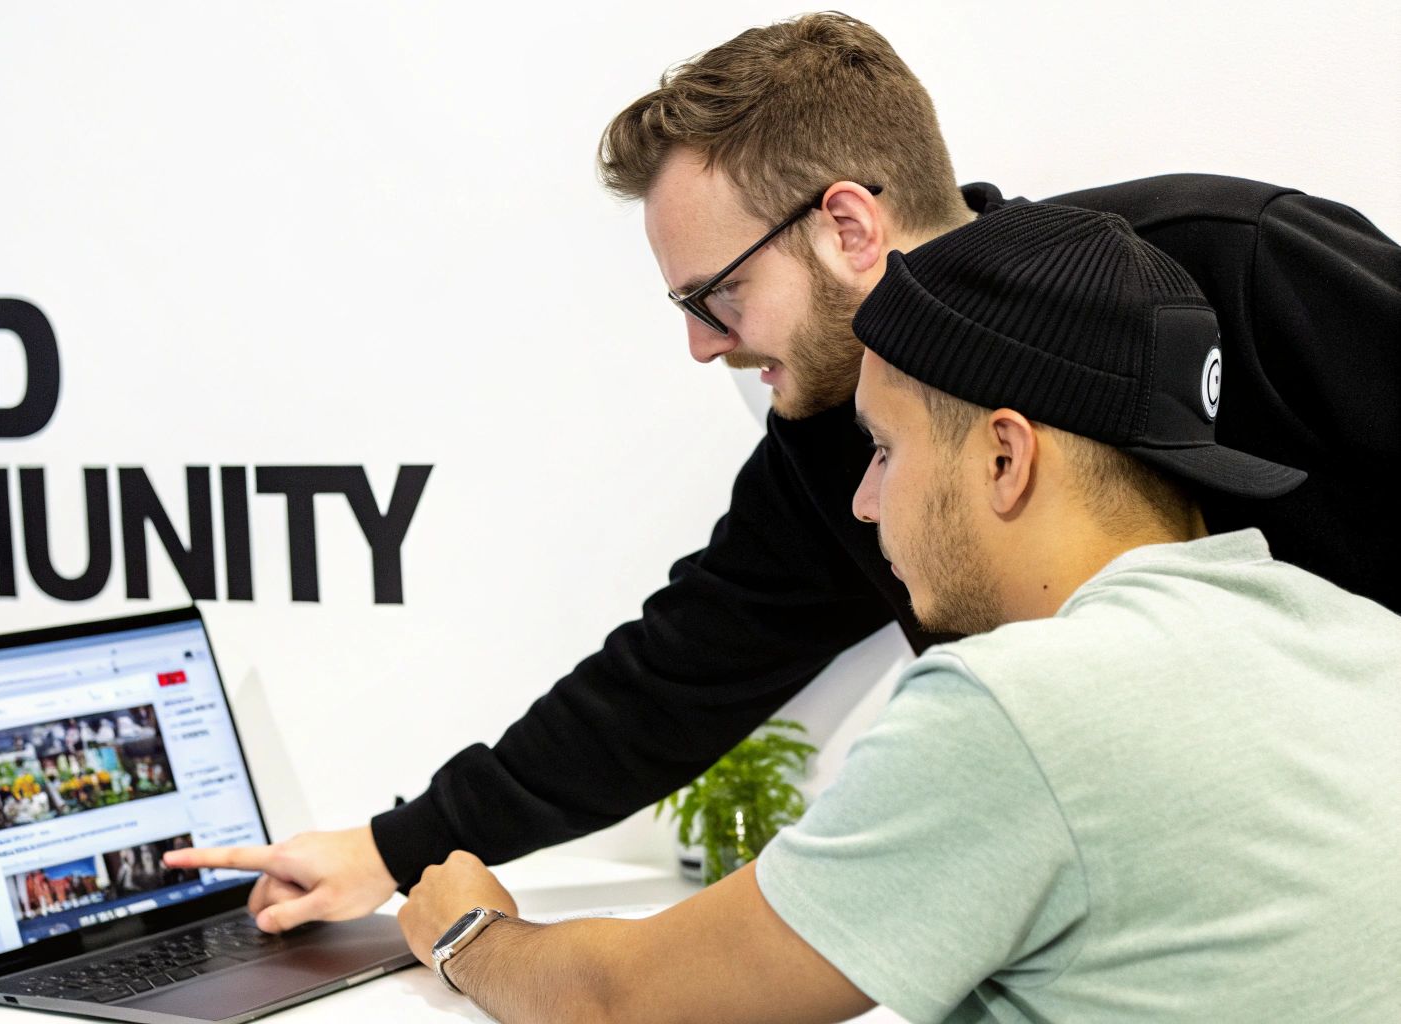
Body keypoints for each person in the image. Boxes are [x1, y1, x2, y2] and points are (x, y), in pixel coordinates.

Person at [164, 12, 1401, 934]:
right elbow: (674, 675)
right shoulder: (833, 453)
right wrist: (394, 848)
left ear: (848, 226)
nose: (701, 342)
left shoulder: (1234, 267)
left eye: (715, 296)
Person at [395, 202, 1401, 1023]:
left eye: (881, 449)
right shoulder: (1356, 638)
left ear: (1003, 458)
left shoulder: (1021, 706)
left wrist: (468, 934)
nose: (862, 502)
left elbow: (620, 998)